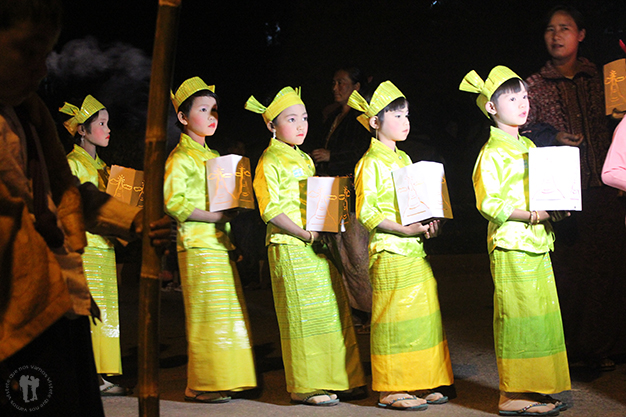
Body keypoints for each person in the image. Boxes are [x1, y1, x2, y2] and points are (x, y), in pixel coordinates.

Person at [0, 1, 170, 415]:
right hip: (12, 320)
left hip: (59, 303)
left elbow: (67, 195)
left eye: (45, 54)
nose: (41, 70)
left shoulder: (28, 113)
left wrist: (135, 219)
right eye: (27, 51)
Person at [462, 66, 571, 416]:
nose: (522, 103)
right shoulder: (491, 152)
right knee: (518, 318)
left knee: (539, 317)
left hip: (536, 241)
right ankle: (512, 395)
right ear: (491, 108)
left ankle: (535, 388)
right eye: (511, 97)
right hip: (512, 243)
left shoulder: (526, 143)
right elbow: (490, 204)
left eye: (523, 95)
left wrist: (555, 208)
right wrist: (533, 215)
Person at [247, 86, 365, 406]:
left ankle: (342, 379)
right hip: (289, 245)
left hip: (315, 245)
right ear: (271, 125)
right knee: (302, 316)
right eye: (291, 119)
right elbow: (270, 209)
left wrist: (328, 225)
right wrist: (304, 233)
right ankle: (307, 385)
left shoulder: (303, 159)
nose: (301, 125)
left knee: (330, 312)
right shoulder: (269, 160)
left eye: (304, 118)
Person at [524, 4, 626, 370]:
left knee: (611, 267)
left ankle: (612, 345)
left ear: (580, 35)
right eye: (550, 29)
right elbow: (521, 131)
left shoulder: (604, 78)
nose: (556, 35)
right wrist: (552, 136)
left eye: (564, 28)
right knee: (573, 273)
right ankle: (580, 351)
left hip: (605, 187)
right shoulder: (533, 85)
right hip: (563, 193)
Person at [350, 81, 453, 411]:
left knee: (422, 317)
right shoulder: (370, 162)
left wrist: (428, 225)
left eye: (406, 114)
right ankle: (391, 388)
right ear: (375, 122)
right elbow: (367, 212)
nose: (405, 121)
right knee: (393, 320)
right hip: (390, 251)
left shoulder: (404, 157)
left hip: (411, 250)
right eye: (396, 115)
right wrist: (404, 229)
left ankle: (419, 382)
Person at [164, 77, 257, 403]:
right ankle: (200, 384)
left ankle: (224, 379)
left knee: (225, 315)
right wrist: (218, 216)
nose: (212, 115)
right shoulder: (180, 158)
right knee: (206, 316)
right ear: (183, 117)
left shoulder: (215, 156)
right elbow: (175, 204)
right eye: (203, 109)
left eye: (214, 109)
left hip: (218, 245)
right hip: (197, 245)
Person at [59, 95, 126, 395]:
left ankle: (99, 373)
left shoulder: (104, 167)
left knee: (105, 313)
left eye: (108, 123)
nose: (107, 129)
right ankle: (90, 377)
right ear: (82, 131)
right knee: (90, 312)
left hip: (105, 249)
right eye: (101, 123)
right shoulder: (72, 164)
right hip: (86, 250)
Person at [308, 67, 373, 328]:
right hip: (328, 189)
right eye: (334, 82)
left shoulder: (363, 117)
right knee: (338, 251)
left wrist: (332, 156)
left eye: (341, 83)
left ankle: (370, 308)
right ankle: (354, 309)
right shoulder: (332, 116)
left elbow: (366, 151)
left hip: (350, 190)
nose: (335, 87)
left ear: (356, 86)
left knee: (357, 252)